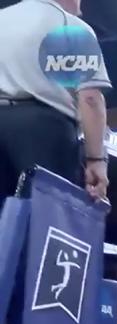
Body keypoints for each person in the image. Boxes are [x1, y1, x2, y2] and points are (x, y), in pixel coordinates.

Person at [0, 0, 110, 201]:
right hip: (44, 132)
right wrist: (96, 159)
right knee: (46, 212)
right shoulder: (70, 26)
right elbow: (90, 98)